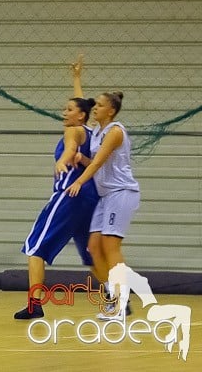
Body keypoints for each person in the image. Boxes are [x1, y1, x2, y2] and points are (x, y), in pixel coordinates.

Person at [13, 56, 100, 319]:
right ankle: (116, 297)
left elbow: (71, 149)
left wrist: (62, 161)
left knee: (35, 246)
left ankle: (34, 304)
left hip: (69, 194)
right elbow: (83, 107)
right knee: (91, 254)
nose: (64, 113)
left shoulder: (73, 132)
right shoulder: (91, 131)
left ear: (79, 115)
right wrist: (76, 80)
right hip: (89, 198)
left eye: (68, 109)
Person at [66, 89, 140, 321]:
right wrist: (82, 160)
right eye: (94, 105)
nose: (95, 108)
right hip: (106, 195)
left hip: (121, 192)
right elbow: (96, 162)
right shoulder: (97, 132)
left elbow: (98, 163)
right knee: (93, 247)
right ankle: (114, 296)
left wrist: (79, 180)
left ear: (111, 110)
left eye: (99, 105)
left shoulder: (115, 132)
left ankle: (121, 299)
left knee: (110, 246)